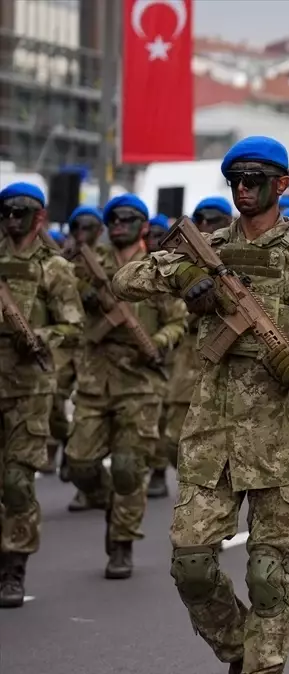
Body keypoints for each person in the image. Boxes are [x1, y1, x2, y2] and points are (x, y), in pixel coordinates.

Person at [111, 136, 289, 674]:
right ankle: (239, 650)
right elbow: (125, 277)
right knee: (189, 564)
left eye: (256, 178)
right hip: (212, 438)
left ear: (281, 184)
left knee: (269, 577)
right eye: (234, 178)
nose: (243, 187)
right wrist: (191, 277)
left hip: (282, 441)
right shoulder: (211, 246)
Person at [66, 194, 187, 578]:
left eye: (128, 218)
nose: (118, 224)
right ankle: (108, 504)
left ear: (143, 225)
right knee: (80, 462)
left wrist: (159, 344)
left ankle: (121, 543)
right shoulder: (88, 264)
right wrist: (81, 295)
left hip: (140, 382)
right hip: (94, 379)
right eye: (113, 219)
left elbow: (177, 320)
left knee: (128, 467)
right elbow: (60, 297)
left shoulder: (157, 269)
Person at [0, 182, 84, 607]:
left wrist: (38, 336)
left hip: (29, 389)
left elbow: (73, 326)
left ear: (38, 217)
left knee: (15, 480)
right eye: (6, 212)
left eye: (21, 212)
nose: (12, 219)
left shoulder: (54, 267)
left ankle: (14, 567)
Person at [148, 197, 235, 499]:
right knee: (173, 436)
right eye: (201, 219)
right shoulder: (183, 261)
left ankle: (209, 501)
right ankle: (187, 483)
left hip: (231, 363)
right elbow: (167, 307)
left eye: (214, 219)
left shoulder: (239, 257)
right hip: (187, 358)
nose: (207, 225)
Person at [45, 205, 102, 479]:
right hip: (65, 342)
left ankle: (78, 461)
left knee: (87, 406)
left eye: (87, 227)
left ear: (99, 231)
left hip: (94, 343)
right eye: (75, 227)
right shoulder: (59, 260)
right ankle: (65, 440)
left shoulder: (107, 260)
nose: (80, 233)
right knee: (53, 399)